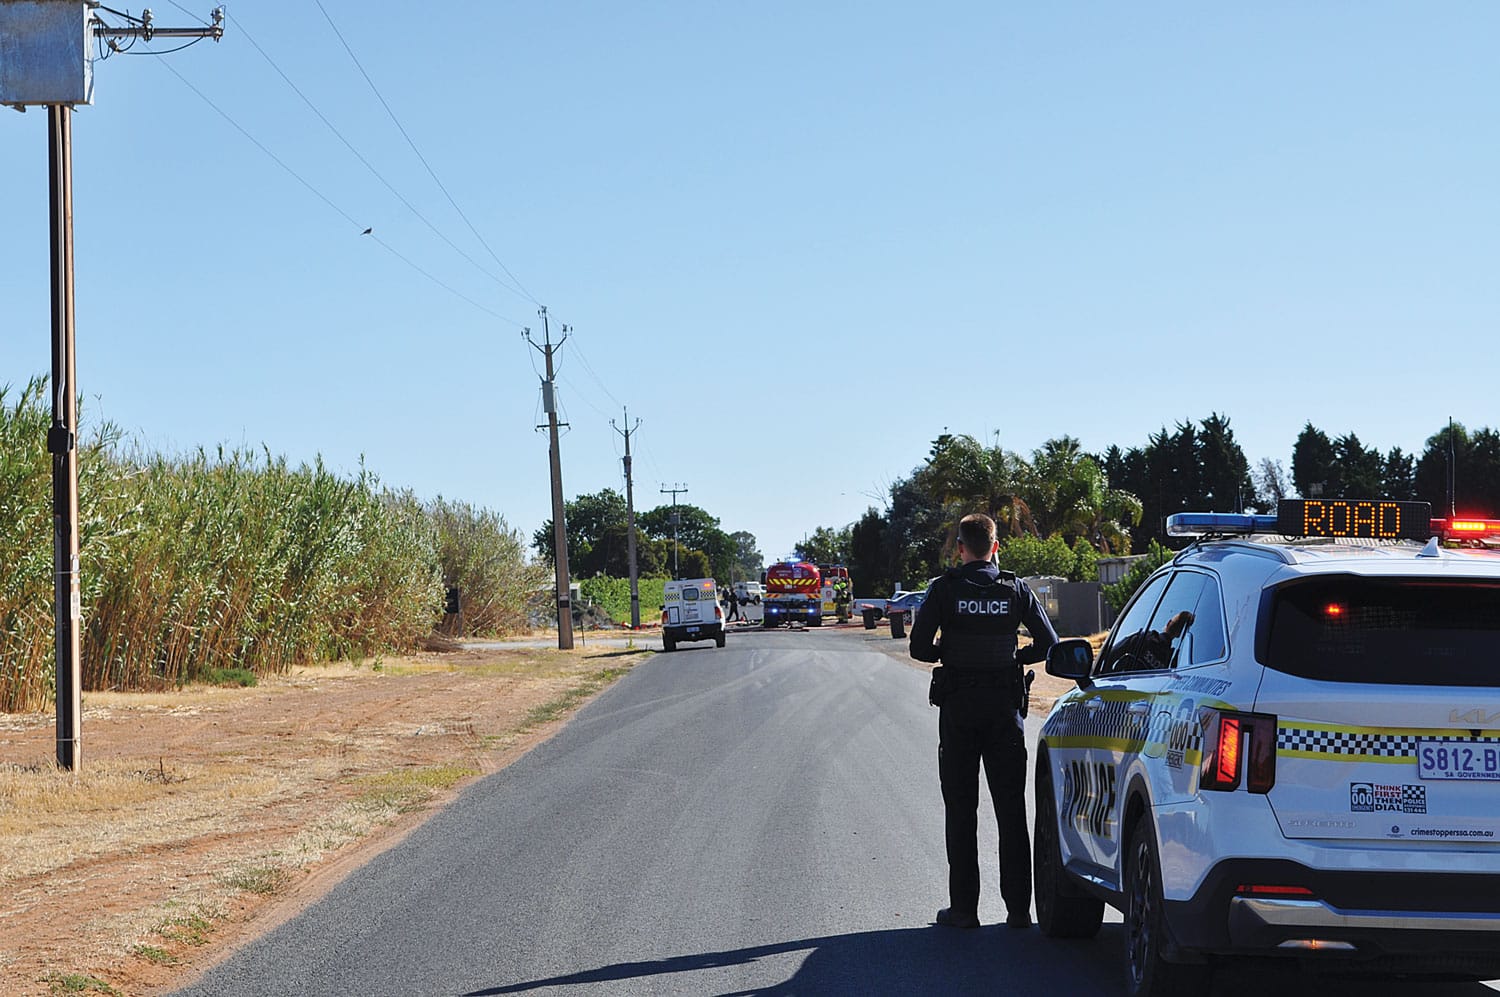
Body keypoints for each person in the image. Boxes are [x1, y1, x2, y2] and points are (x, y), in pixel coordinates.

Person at [909, 512, 1059, 930]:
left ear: (960, 547)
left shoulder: (944, 590)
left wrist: (951, 650)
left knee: (961, 809)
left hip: (959, 711)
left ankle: (964, 910)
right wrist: (1014, 657)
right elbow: (1048, 644)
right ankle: (1017, 911)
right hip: (1004, 711)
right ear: (995, 547)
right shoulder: (1014, 588)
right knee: (1011, 811)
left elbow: (920, 648)